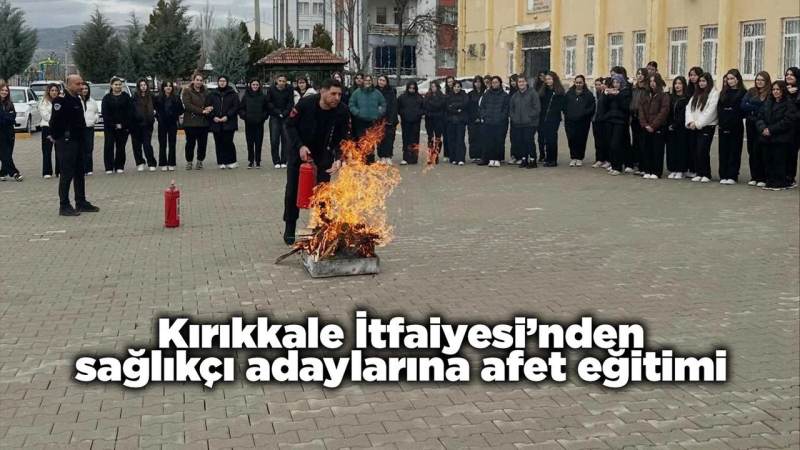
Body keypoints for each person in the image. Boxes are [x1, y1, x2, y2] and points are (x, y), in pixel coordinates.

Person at [283, 79, 351, 244]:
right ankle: (290, 227)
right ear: (323, 91)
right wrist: (300, 146)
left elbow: (343, 138)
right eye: (333, 94)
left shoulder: (342, 110)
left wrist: (339, 158)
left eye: (339, 94)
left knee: (323, 193)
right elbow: (289, 125)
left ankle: (322, 228)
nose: (337, 98)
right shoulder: (305, 104)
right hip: (300, 155)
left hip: (323, 156)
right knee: (292, 192)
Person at [49, 75, 99, 215]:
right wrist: (58, 138)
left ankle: (81, 202)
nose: (81, 86)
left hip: (78, 141)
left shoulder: (77, 99)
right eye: (77, 84)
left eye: (82, 83)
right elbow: (54, 122)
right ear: (69, 85)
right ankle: (64, 205)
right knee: (67, 173)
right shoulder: (60, 100)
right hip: (66, 141)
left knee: (79, 172)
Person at [757, 81, 798, 190]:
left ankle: (781, 182)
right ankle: (770, 181)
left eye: (778, 89)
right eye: (773, 89)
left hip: (781, 138)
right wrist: (763, 128)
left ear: (783, 91)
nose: (775, 92)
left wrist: (771, 129)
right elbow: (760, 117)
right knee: (768, 160)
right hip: (767, 138)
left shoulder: (789, 104)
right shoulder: (768, 102)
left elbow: (787, 121)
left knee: (779, 161)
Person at [685, 72, 719, 183]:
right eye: (700, 81)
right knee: (695, 149)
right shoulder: (696, 93)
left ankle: (706, 174)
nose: (701, 83)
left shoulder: (714, 94)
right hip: (694, 126)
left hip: (707, 126)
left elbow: (710, 112)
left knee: (702, 150)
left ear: (709, 82)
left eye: (704, 81)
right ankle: (699, 173)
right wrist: (690, 121)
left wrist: (698, 123)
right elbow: (689, 108)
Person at [716, 69, 747, 185]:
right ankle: (723, 174)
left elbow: (742, 110)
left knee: (734, 151)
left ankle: (732, 175)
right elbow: (719, 108)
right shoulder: (724, 92)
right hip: (723, 125)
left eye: (732, 78)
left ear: (737, 79)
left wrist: (732, 113)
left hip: (736, 126)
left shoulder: (743, 92)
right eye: (728, 79)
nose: (730, 81)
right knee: (723, 151)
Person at [741, 71, 772, 187]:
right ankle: (754, 176)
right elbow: (743, 105)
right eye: (758, 79)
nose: (759, 82)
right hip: (750, 124)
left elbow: (765, 108)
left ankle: (762, 177)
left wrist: (752, 107)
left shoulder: (770, 93)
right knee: (751, 151)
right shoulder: (751, 91)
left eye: (762, 80)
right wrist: (756, 107)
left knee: (761, 150)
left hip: (762, 125)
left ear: (766, 81)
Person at [638, 73, 670, 179]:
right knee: (646, 149)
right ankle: (647, 170)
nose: (652, 83)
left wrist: (653, 125)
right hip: (646, 127)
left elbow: (664, 111)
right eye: (650, 81)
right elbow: (641, 110)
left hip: (658, 127)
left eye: (654, 81)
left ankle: (656, 172)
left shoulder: (663, 95)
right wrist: (644, 124)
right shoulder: (645, 94)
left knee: (657, 150)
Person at [205, 76, 240, 169]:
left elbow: (236, 107)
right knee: (218, 142)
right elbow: (207, 106)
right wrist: (213, 117)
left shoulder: (233, 94)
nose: (222, 82)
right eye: (220, 81)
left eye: (224, 81)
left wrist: (227, 116)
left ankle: (232, 161)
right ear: (218, 82)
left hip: (229, 122)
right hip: (216, 122)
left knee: (228, 142)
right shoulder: (212, 94)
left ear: (227, 82)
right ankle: (221, 161)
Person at [101, 76, 134, 174]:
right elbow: (105, 113)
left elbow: (130, 112)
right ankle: (109, 167)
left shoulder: (126, 97)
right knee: (109, 146)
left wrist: (123, 124)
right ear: (111, 85)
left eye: (120, 85)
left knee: (121, 147)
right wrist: (113, 124)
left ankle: (119, 166)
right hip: (110, 127)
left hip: (123, 127)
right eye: (116, 84)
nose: (118, 86)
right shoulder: (106, 98)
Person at [509, 75, 541, 168]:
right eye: (519, 82)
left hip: (530, 123)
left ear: (526, 82)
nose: (521, 83)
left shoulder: (533, 93)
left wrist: (529, 117)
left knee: (529, 140)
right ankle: (524, 159)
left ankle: (533, 160)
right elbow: (511, 109)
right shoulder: (515, 95)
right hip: (518, 123)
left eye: (523, 81)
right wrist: (514, 118)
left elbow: (537, 108)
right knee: (521, 141)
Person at [564, 74, 596, 167]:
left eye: (580, 82)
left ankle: (579, 158)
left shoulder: (588, 94)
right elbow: (564, 105)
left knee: (581, 139)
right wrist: (568, 114)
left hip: (583, 122)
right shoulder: (569, 93)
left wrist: (584, 114)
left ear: (583, 83)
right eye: (577, 82)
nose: (578, 84)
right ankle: (573, 157)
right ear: (574, 83)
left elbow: (592, 107)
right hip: (570, 121)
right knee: (571, 139)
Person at [181, 72, 211, 170]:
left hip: (203, 123)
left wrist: (210, 107)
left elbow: (210, 102)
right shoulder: (187, 91)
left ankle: (200, 161)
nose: (199, 82)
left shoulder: (206, 92)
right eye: (197, 80)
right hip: (190, 122)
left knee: (202, 144)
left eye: (201, 80)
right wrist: (202, 111)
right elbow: (188, 105)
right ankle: (189, 162)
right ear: (193, 80)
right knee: (190, 144)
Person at [478, 76, 509, 167]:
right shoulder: (487, 94)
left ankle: (497, 159)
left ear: (500, 83)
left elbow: (506, 109)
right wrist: (484, 116)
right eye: (493, 82)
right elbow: (482, 107)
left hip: (500, 122)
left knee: (499, 141)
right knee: (489, 141)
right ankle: (491, 159)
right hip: (488, 122)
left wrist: (501, 117)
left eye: (496, 82)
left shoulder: (504, 95)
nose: (494, 84)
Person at [348, 74, 386, 150]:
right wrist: (357, 113)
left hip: (372, 122)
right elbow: (351, 104)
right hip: (360, 122)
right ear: (363, 81)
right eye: (366, 80)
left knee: (371, 142)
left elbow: (383, 104)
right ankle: (361, 157)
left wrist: (379, 113)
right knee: (361, 142)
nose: (367, 82)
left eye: (369, 80)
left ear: (372, 81)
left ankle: (371, 157)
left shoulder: (377, 93)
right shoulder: (357, 92)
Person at [604, 74, 632, 176]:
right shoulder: (611, 92)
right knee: (610, 144)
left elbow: (625, 106)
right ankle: (614, 165)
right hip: (610, 119)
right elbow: (605, 105)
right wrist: (606, 95)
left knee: (616, 144)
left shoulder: (625, 92)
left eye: (617, 82)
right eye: (614, 82)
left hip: (620, 121)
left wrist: (618, 95)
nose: (615, 84)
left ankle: (618, 167)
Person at [238, 78, 268, 168]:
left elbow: (266, 109)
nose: (255, 86)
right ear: (250, 85)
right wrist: (245, 116)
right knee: (250, 143)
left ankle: (258, 161)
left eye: (257, 85)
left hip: (259, 123)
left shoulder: (263, 96)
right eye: (253, 85)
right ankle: (251, 161)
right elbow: (241, 109)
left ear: (259, 86)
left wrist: (263, 117)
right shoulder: (246, 96)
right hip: (249, 123)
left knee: (258, 143)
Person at [538, 71, 566, 167]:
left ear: (554, 80)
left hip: (554, 118)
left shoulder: (559, 91)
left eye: (550, 79)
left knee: (552, 139)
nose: (548, 81)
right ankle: (547, 158)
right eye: (546, 79)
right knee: (546, 139)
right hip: (543, 118)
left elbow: (561, 106)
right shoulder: (543, 91)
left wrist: (554, 112)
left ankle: (553, 160)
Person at [265, 74, 294, 168]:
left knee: (285, 139)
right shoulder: (271, 89)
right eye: (280, 81)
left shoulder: (289, 89)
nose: (281, 83)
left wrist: (285, 113)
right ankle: (276, 161)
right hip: (275, 116)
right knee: (274, 139)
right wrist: (277, 112)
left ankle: (284, 160)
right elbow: (269, 102)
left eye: (283, 81)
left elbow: (291, 102)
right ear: (276, 81)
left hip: (286, 117)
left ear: (286, 82)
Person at [154, 81, 184, 171]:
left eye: (170, 86)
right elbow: (154, 110)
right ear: (163, 88)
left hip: (172, 124)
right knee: (162, 144)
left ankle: (171, 163)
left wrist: (176, 115)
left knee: (172, 144)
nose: (168, 87)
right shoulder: (158, 98)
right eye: (166, 86)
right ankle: (163, 163)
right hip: (162, 123)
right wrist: (158, 117)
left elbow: (181, 110)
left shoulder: (176, 98)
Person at [666, 76, 690, 179]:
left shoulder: (687, 98)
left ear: (684, 85)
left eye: (680, 83)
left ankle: (681, 169)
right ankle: (673, 169)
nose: (677, 85)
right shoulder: (671, 97)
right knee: (671, 149)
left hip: (681, 128)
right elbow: (668, 112)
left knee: (681, 149)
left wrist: (675, 124)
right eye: (676, 83)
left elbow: (684, 114)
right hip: (670, 127)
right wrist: (669, 124)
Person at [131, 79, 157, 171]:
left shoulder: (151, 96)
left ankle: (151, 163)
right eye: (141, 85)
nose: (143, 87)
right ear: (138, 86)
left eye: (145, 85)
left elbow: (156, 107)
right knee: (137, 145)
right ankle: (140, 163)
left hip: (147, 124)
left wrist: (154, 114)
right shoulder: (134, 97)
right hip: (136, 125)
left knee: (147, 145)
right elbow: (131, 110)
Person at [397, 80, 424, 165]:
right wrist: (403, 113)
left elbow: (423, 108)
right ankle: (405, 157)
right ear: (407, 88)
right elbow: (398, 108)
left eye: (413, 88)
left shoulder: (419, 97)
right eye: (410, 88)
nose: (411, 90)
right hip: (405, 121)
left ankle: (414, 158)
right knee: (406, 139)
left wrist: (419, 113)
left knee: (415, 139)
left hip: (416, 121)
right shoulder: (402, 97)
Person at [0, 81, 22, 181]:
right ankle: (14, 173)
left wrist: (6, 117)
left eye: (6, 90)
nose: (4, 92)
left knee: (8, 153)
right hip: (1, 132)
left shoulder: (9, 103)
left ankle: (2, 172)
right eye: (2, 90)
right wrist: (6, 116)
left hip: (9, 131)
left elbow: (13, 117)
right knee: (4, 153)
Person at [374, 75, 398, 165]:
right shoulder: (374, 91)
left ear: (386, 82)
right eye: (380, 80)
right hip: (378, 119)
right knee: (380, 139)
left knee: (389, 139)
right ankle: (382, 156)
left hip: (390, 119)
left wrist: (391, 119)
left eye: (383, 80)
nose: (381, 82)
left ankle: (388, 156)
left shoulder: (391, 91)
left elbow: (394, 106)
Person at [38, 83, 61, 179]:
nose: (54, 92)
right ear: (48, 91)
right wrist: (56, 118)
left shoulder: (61, 101)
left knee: (59, 150)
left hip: (59, 128)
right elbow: (45, 115)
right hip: (47, 128)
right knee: (47, 150)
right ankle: (47, 172)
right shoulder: (43, 102)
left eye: (56, 90)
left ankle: (59, 171)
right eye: (52, 90)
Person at [685, 66, 704, 178]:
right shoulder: (688, 89)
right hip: (689, 122)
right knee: (690, 146)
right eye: (691, 75)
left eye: (695, 75)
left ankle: (698, 170)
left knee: (699, 148)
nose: (692, 77)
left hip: (699, 122)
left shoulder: (702, 89)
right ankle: (691, 168)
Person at [444, 80, 469, 165]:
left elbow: (465, 104)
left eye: (458, 87)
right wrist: (457, 109)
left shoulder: (464, 95)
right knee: (452, 139)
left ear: (461, 87)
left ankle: (461, 158)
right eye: (455, 86)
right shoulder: (449, 95)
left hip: (461, 121)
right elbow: (448, 107)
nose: (456, 88)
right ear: (453, 87)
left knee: (460, 139)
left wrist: (454, 106)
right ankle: (453, 158)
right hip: (451, 120)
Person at [629, 68, 649, 173]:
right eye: (638, 74)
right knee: (635, 141)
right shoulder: (634, 88)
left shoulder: (647, 89)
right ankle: (635, 163)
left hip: (643, 118)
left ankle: (643, 165)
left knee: (643, 142)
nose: (640, 76)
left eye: (642, 74)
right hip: (634, 117)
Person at [784, 67, 800, 187]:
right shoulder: (783, 90)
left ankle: (790, 177)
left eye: (792, 75)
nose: (789, 76)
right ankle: (787, 177)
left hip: (797, 126)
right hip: (786, 127)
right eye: (787, 74)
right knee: (788, 153)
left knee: (793, 152)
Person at [422, 81, 446, 162]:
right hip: (429, 118)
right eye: (432, 86)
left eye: (434, 86)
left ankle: (436, 154)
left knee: (438, 137)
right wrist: (429, 110)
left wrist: (431, 104)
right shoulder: (427, 95)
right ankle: (430, 154)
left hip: (438, 119)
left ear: (438, 87)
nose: (433, 88)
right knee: (430, 137)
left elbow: (440, 105)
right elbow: (425, 105)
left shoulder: (441, 96)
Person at [80, 83, 99, 175]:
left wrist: (94, 120)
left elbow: (96, 112)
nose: (84, 90)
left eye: (86, 89)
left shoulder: (92, 101)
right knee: (80, 149)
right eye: (82, 89)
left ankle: (89, 169)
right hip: (79, 128)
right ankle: (81, 168)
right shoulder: (76, 100)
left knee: (89, 148)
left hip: (89, 127)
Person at [591, 77, 609, 168]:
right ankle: (599, 159)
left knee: (604, 141)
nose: (597, 86)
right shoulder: (594, 94)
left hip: (603, 120)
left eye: (599, 84)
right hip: (595, 120)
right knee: (597, 141)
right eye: (596, 85)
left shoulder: (605, 94)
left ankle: (605, 159)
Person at [467, 75, 486, 162]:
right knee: (473, 137)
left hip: (482, 119)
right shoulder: (470, 94)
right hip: (472, 120)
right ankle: (474, 156)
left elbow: (485, 107)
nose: (477, 84)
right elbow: (469, 107)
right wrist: (474, 117)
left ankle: (481, 155)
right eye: (476, 82)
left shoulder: (485, 93)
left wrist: (480, 117)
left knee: (482, 138)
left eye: (479, 82)